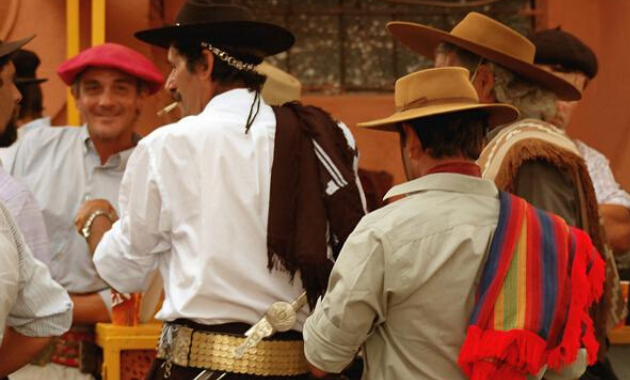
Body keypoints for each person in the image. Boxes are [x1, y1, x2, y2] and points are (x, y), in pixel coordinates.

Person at [94, 1, 365, 379]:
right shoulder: (329, 137)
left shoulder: (167, 145)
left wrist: (95, 223)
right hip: (298, 368)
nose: (170, 83)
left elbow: (124, 271)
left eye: (174, 66)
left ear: (204, 63)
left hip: (198, 367)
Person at [303, 66, 603, 380]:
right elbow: (567, 367)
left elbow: (324, 358)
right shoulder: (545, 234)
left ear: (413, 140)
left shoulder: (383, 231)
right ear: (481, 136)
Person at [387, 13, 624, 379]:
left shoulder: (532, 152)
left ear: (483, 81)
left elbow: (548, 276)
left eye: (444, 74)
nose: (434, 87)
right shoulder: (501, 145)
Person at [6, 43, 163, 380]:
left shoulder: (159, 170)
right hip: (16, 360)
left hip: (101, 363)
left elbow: (152, 284)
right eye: (93, 88)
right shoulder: (30, 148)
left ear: (141, 99)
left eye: (120, 88)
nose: (105, 101)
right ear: (76, 98)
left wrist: (45, 308)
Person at [0, 35, 72, 379]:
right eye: (9, 82)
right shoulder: (10, 198)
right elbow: (46, 315)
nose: (17, 96)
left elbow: (47, 314)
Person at [531, 28, 630, 257]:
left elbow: (620, 230)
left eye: (571, 94)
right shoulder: (490, 143)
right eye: (552, 91)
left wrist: (541, 220)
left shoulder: (588, 158)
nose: (562, 104)